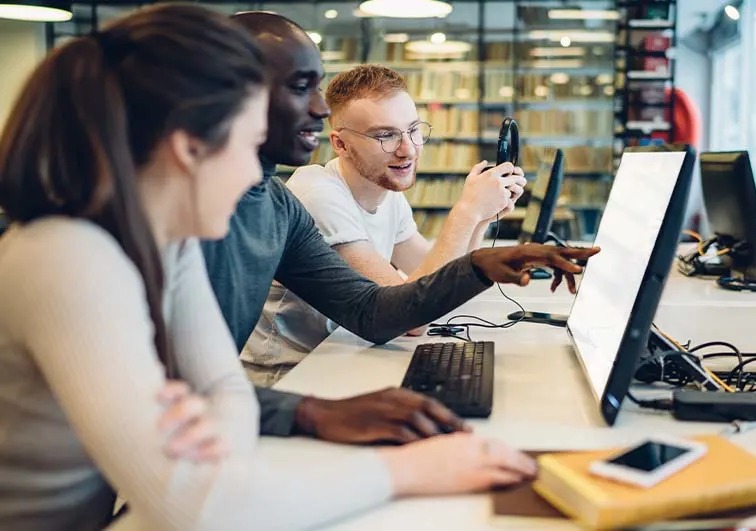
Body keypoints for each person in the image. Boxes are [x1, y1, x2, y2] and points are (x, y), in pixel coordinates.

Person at [0, 5, 555, 529]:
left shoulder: (175, 241)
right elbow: (193, 501)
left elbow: (226, 395)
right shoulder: (68, 257)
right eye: (247, 147)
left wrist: (216, 427)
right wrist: (412, 471)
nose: (256, 179)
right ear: (189, 148)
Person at [202, 10, 598, 443]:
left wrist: (483, 251)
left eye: (412, 130)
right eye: (301, 88)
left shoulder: (277, 205)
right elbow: (176, 387)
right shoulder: (285, 196)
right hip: (267, 394)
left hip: (276, 395)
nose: (318, 110)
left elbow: (376, 310)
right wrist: (465, 216)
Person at [243, 64, 528, 381]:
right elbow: (408, 317)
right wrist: (466, 212)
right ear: (340, 144)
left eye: (413, 130)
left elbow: (444, 285)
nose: (407, 150)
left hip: (345, 355)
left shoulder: (386, 191)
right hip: (289, 374)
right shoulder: (317, 192)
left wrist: (484, 216)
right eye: (385, 135)